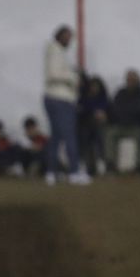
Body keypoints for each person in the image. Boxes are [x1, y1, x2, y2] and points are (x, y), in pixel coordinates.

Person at [42, 25, 89, 185]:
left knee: (55, 137)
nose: (69, 40)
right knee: (69, 135)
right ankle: (74, 172)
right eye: (67, 36)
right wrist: (74, 77)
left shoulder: (53, 51)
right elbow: (54, 74)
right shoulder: (55, 51)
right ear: (59, 36)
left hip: (52, 97)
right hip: (61, 99)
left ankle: (51, 172)